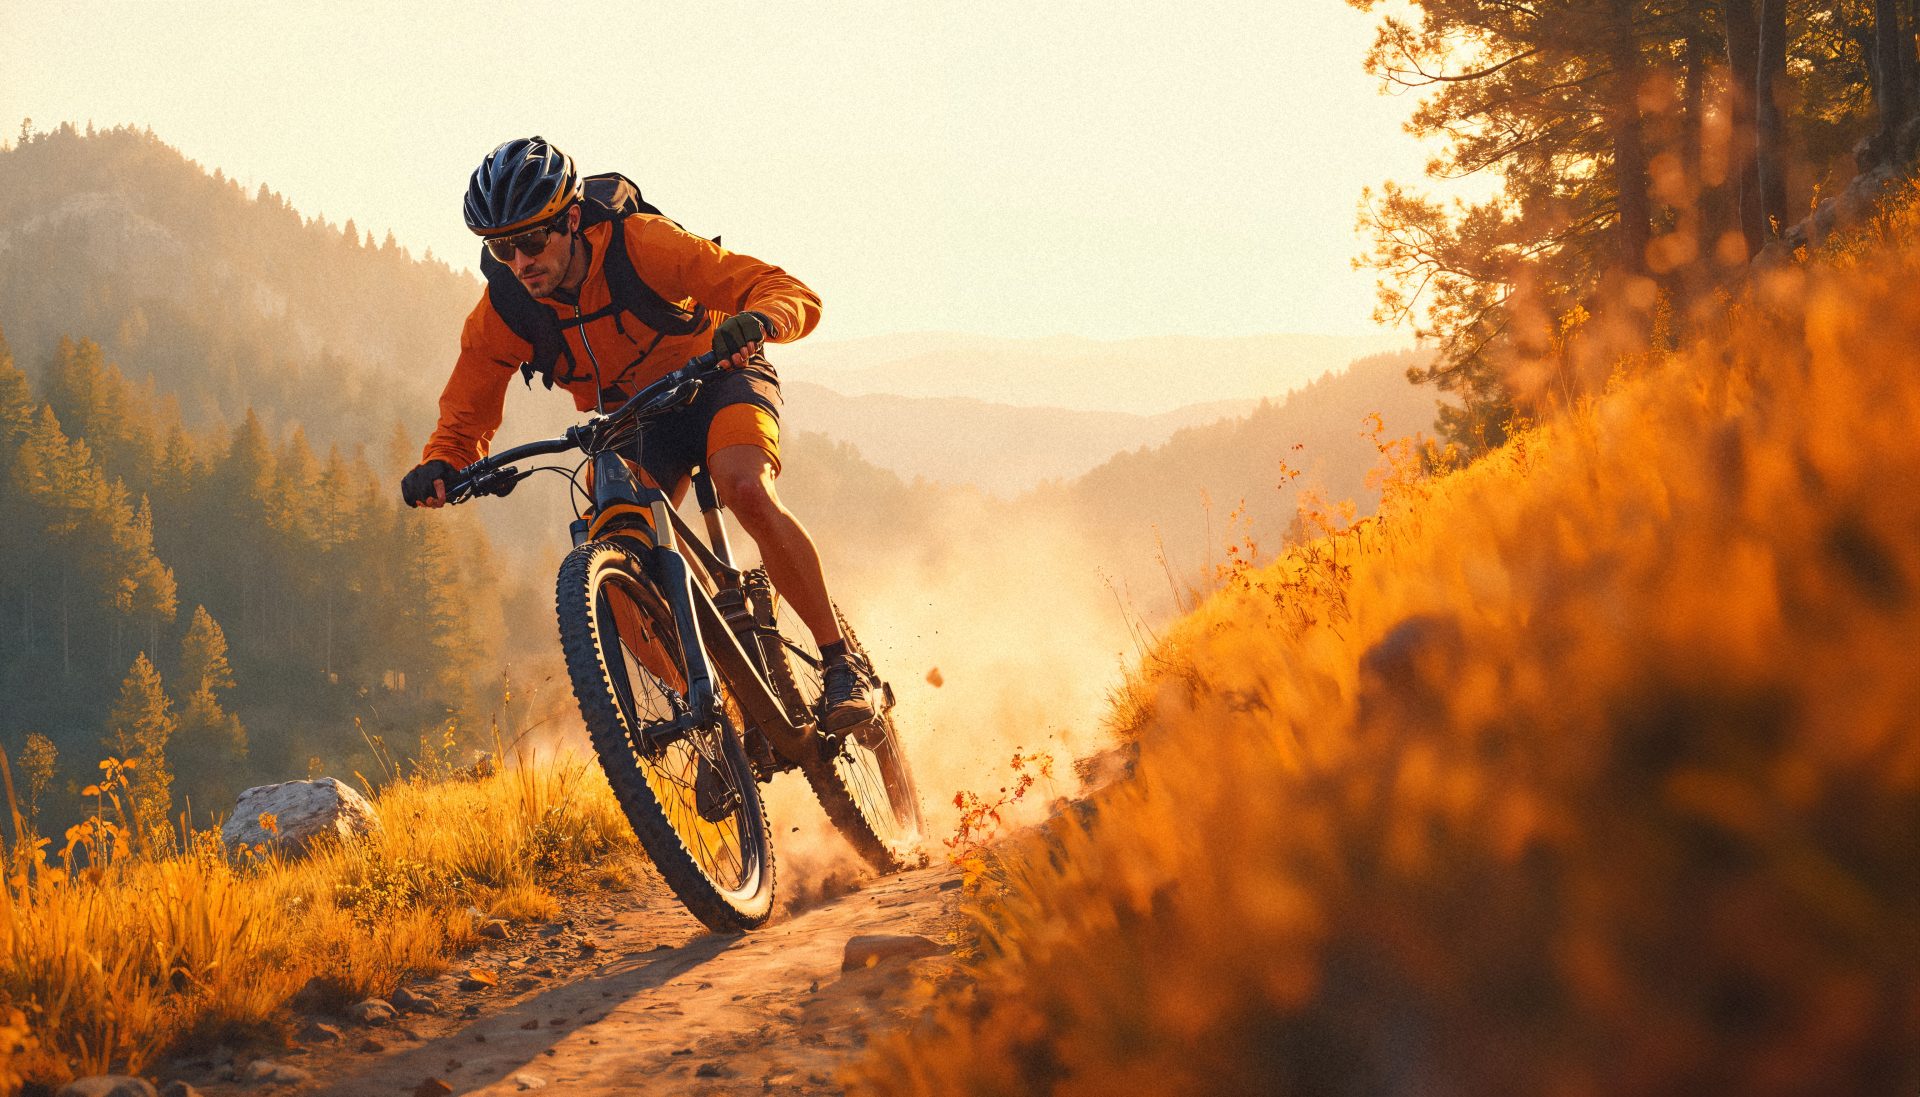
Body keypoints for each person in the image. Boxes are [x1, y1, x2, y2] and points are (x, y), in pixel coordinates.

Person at [401, 136, 874, 731]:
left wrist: (760, 320)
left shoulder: (643, 246)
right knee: (616, 554)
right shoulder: (505, 311)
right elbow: (466, 409)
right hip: (636, 418)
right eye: (501, 248)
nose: (519, 261)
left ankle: (840, 664)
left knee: (744, 485)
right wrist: (445, 461)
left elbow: (783, 289)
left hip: (719, 378)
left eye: (530, 240)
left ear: (571, 220)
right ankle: (716, 711)